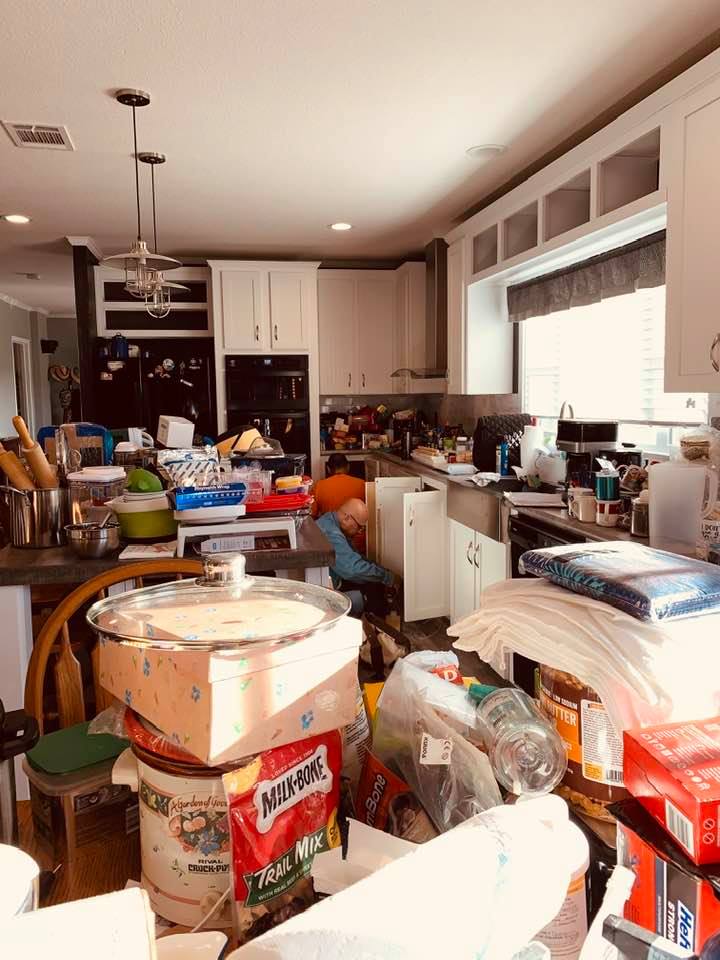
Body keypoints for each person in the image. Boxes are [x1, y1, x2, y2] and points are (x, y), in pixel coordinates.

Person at [316, 498, 399, 617]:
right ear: (347, 518)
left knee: (372, 581)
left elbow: (355, 556)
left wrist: (382, 571)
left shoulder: (330, 521)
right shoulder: (332, 534)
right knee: (369, 595)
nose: (360, 532)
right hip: (322, 599)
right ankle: (374, 629)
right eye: (359, 527)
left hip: (329, 583)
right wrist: (388, 577)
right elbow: (352, 570)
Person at [311, 453, 365, 518]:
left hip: (328, 527)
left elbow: (311, 514)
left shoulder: (319, 486)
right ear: (348, 467)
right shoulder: (361, 484)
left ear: (328, 469)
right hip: (355, 527)